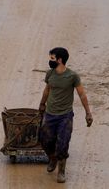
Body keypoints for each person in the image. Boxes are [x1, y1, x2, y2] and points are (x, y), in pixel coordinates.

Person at [38, 47, 93, 183]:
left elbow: (82, 94)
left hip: (65, 116)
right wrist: (42, 104)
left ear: (60, 60)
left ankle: (61, 171)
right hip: (50, 114)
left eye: (52, 58)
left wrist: (88, 113)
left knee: (63, 143)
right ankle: (52, 158)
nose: (50, 61)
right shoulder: (50, 74)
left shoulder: (72, 76)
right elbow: (47, 90)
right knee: (45, 140)